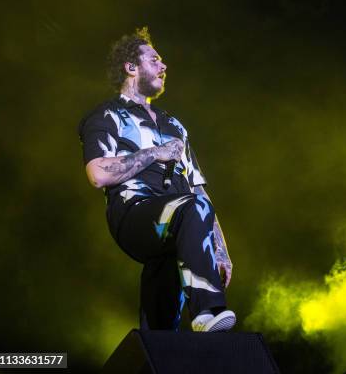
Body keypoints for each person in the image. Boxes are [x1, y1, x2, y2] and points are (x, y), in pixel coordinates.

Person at [78, 27, 235, 332]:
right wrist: (155, 153)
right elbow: (97, 174)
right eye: (155, 59)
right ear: (131, 67)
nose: (164, 67)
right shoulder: (107, 115)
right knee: (189, 210)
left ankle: (157, 346)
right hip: (133, 213)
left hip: (176, 217)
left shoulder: (175, 125)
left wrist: (220, 250)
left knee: (163, 303)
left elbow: (199, 193)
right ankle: (206, 311)